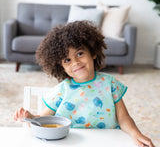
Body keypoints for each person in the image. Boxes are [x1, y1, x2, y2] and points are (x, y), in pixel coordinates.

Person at [14, 21, 154, 147]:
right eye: (67, 60)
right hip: (71, 143)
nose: (75, 62)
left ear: (93, 52)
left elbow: (123, 118)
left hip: (107, 142)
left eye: (80, 53)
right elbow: (43, 120)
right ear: (61, 66)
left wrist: (137, 134)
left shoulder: (110, 84)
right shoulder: (62, 90)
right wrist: (30, 117)